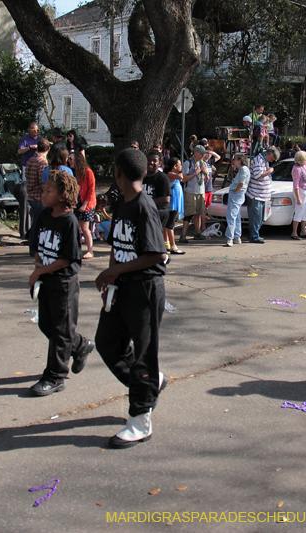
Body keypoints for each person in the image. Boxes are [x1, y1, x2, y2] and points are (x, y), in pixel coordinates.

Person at [94, 148, 168, 448]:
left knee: (142, 356)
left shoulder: (143, 206)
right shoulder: (122, 204)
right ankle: (150, 384)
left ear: (118, 173)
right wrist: (111, 277)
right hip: (121, 288)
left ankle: (140, 419)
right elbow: (117, 246)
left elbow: (157, 254)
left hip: (144, 290)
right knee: (107, 343)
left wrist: (115, 272)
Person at [26, 170, 95, 397]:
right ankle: (80, 346)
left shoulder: (69, 222)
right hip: (46, 279)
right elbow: (37, 247)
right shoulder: (45, 216)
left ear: (63, 195)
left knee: (60, 330)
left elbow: (67, 259)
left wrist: (40, 273)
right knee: (46, 325)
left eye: (48, 190)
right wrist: (38, 270)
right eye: (43, 189)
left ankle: (55, 377)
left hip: (63, 282)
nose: (44, 193)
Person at [246, 146, 278, 243]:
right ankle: (254, 236)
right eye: (272, 158)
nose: (272, 161)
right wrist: (269, 171)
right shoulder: (258, 160)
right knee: (256, 217)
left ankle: (254, 234)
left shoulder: (265, 160)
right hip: (256, 194)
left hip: (263, 194)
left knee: (260, 217)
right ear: (268, 154)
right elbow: (258, 175)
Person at [179, 145, 211, 243]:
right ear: (195, 153)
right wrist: (194, 173)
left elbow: (206, 180)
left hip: (200, 191)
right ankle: (183, 235)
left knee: (199, 213)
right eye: (201, 153)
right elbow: (183, 179)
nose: (203, 155)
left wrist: (206, 174)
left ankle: (198, 233)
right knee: (189, 214)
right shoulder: (187, 163)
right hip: (190, 192)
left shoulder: (203, 163)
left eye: (204, 153)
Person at [70, 150, 96, 259]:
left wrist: (84, 205)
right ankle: (77, 249)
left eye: (71, 159)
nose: (69, 161)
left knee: (85, 227)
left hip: (87, 202)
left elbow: (91, 189)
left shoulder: (88, 172)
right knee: (77, 226)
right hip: (78, 201)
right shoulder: (75, 172)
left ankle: (90, 250)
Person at [223, 153, 250, 247]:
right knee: (237, 216)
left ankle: (229, 237)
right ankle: (237, 236)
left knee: (231, 216)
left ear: (239, 160)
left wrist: (235, 192)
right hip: (238, 194)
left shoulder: (243, 169)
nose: (233, 161)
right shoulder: (243, 170)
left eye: (234, 159)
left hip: (236, 195)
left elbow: (241, 183)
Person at [25, 138, 50, 230]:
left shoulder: (30, 160)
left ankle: (32, 239)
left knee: (35, 222)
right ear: (48, 149)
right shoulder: (42, 162)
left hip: (31, 196)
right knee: (40, 225)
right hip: (39, 197)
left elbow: (26, 176)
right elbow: (42, 182)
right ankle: (35, 241)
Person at [164, 157, 184, 254]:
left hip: (174, 203)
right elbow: (181, 177)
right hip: (171, 203)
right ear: (174, 166)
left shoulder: (173, 174)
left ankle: (166, 243)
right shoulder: (170, 174)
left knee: (167, 224)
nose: (181, 166)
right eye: (179, 164)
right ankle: (173, 246)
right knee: (170, 225)